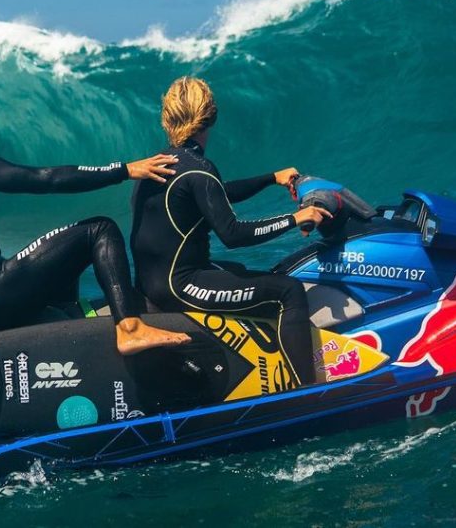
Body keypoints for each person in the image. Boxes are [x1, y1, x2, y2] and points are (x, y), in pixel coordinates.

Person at [0, 94, 190, 355]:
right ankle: (130, 329)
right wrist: (123, 170)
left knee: (57, 254)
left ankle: (70, 330)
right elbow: (46, 178)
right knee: (99, 230)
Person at [130, 77, 332, 386]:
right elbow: (233, 234)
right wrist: (295, 218)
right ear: (210, 116)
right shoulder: (199, 168)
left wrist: (271, 178)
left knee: (236, 271)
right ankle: (306, 391)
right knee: (287, 291)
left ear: (167, 118)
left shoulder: (157, 164)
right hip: (180, 286)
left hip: (150, 285)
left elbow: (215, 196)